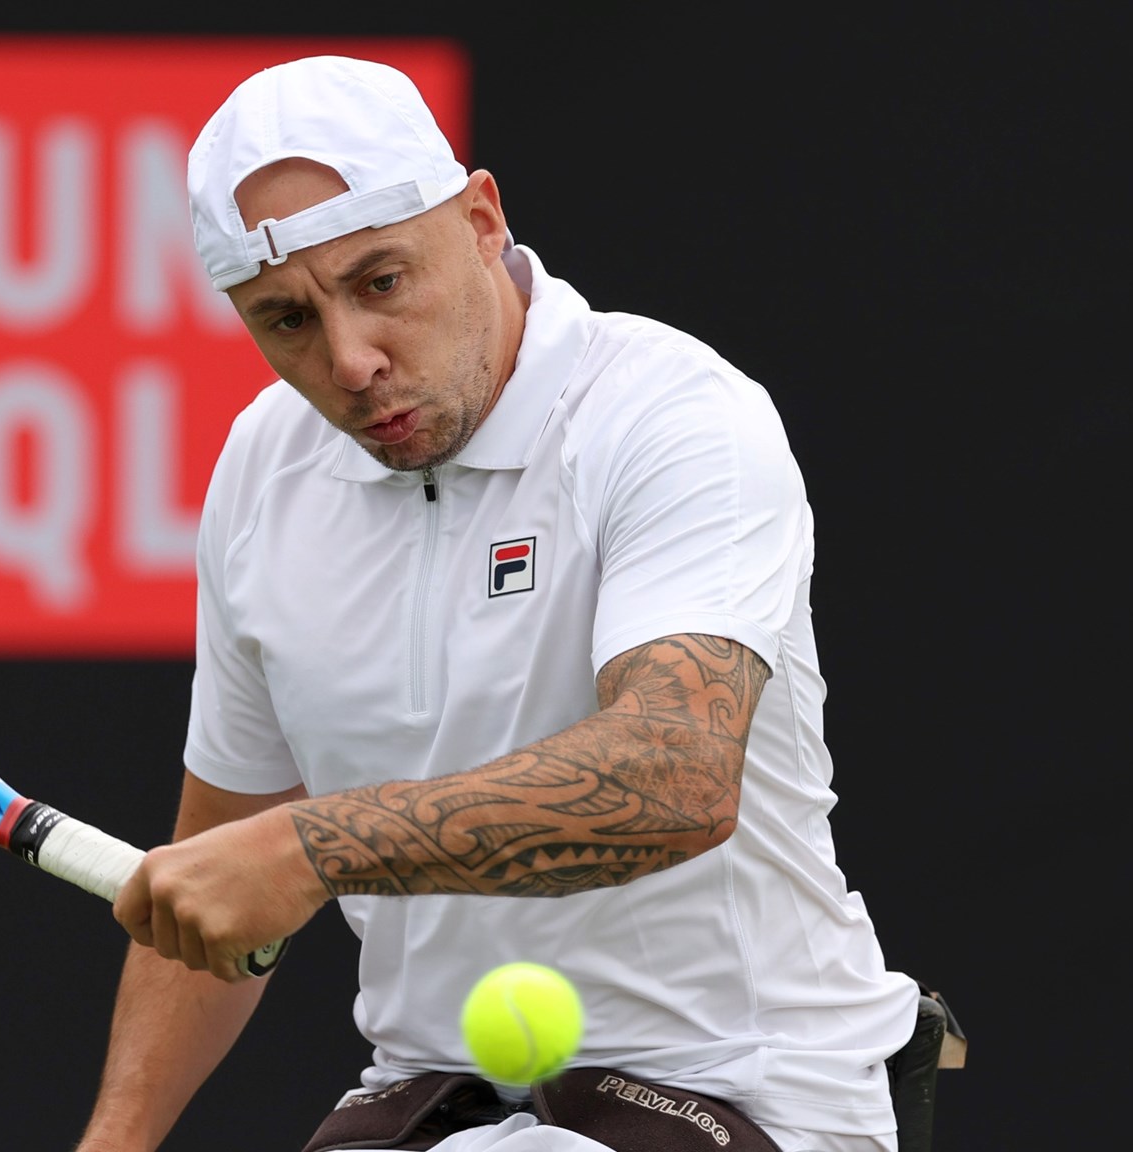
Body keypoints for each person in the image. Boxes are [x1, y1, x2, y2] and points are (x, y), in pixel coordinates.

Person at [74, 55, 920, 1152]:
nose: (350, 360)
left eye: (380, 281)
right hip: (429, 1094)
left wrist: (309, 849)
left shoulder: (674, 416)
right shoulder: (262, 470)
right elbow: (215, 872)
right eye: (283, 320)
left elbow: (671, 774)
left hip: (746, 1090)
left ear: (480, 220)